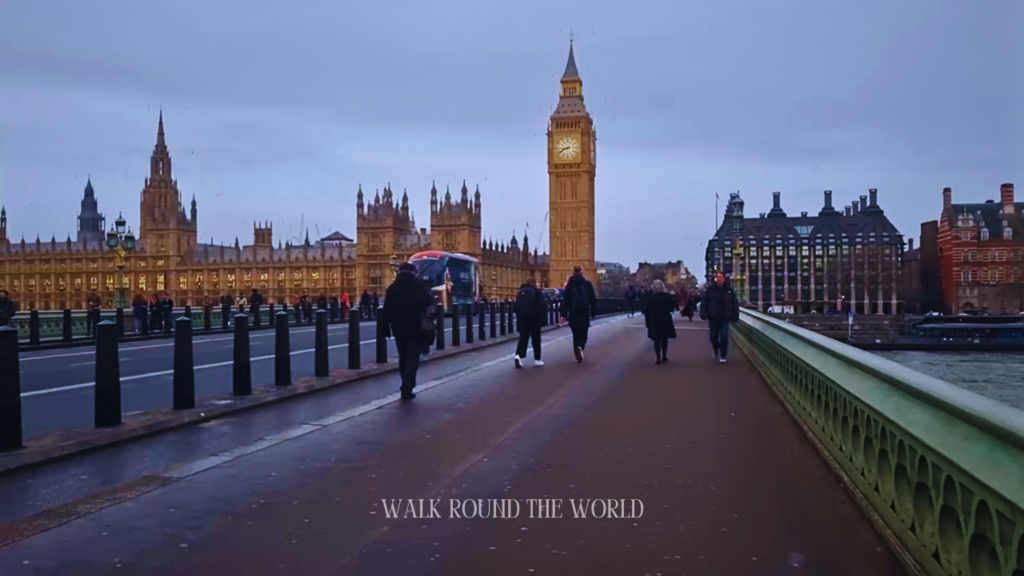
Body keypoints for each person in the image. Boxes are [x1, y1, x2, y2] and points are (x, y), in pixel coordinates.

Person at [383, 263, 434, 400]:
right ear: (414, 272)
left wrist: (385, 327)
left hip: (398, 328)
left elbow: (386, 309)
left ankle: (405, 384)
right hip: (415, 326)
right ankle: (407, 387)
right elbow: (427, 301)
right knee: (412, 359)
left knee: (403, 357)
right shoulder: (417, 285)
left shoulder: (392, 288)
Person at [700, 271, 740, 363]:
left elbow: (735, 304)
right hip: (713, 317)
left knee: (724, 336)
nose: (719, 278)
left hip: (725, 317)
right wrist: (704, 313)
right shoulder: (710, 290)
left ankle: (723, 355)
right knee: (713, 337)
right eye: (718, 277)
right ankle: (716, 347)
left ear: (724, 278)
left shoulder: (729, 290)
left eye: (721, 277)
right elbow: (704, 302)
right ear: (715, 278)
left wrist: (735, 315)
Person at [561, 265, 597, 363]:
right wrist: (594, 312)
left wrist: (563, 314)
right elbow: (592, 299)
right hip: (584, 311)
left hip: (573, 312)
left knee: (575, 333)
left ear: (573, 272)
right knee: (583, 332)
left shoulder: (569, 285)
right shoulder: (587, 284)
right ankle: (580, 347)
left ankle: (576, 352)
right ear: (582, 272)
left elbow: (566, 300)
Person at [513, 277, 547, 368]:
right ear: (534, 283)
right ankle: (537, 359)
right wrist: (543, 320)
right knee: (536, 339)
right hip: (535, 319)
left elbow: (516, 307)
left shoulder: (520, 292)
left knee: (523, 338)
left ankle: (518, 356)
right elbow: (542, 306)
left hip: (523, 319)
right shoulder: (536, 292)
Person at [643, 280, 678, 364]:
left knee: (656, 339)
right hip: (665, 318)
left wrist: (647, 321)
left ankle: (658, 357)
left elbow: (646, 310)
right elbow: (671, 308)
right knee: (664, 338)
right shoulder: (667, 296)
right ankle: (664, 356)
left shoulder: (651, 297)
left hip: (654, 318)